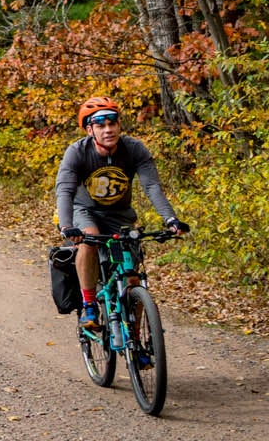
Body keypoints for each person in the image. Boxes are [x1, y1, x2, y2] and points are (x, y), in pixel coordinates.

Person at [54, 96, 190, 334]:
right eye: (100, 125)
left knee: (133, 280)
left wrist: (170, 219)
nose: (108, 129)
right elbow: (64, 190)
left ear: (119, 125)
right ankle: (89, 305)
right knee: (89, 239)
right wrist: (66, 226)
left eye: (112, 123)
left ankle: (137, 340)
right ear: (89, 130)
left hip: (120, 215)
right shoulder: (77, 152)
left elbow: (152, 187)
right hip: (85, 211)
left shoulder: (134, 149)